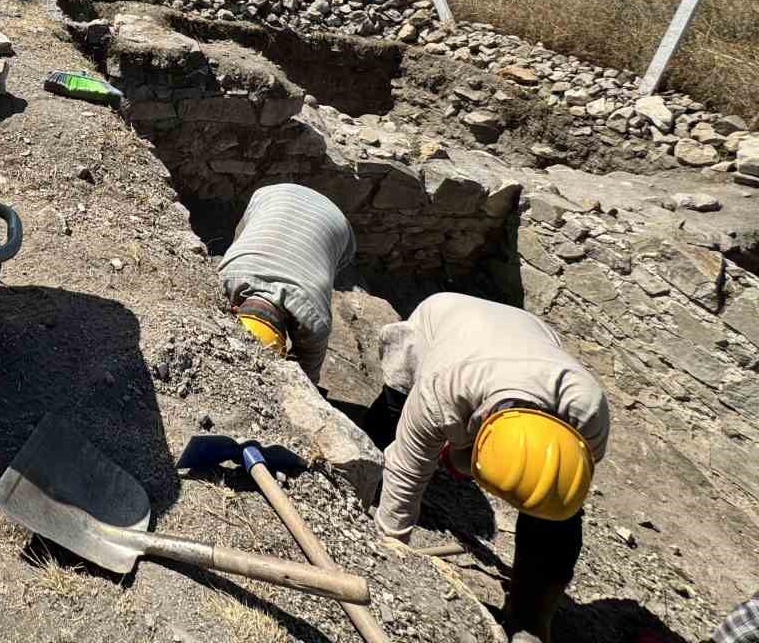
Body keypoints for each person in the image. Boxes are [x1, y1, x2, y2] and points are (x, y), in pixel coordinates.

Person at [362, 292, 610, 643]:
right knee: (394, 411)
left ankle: (530, 616)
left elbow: (563, 495)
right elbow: (407, 468)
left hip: (530, 332)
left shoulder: (589, 411)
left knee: (554, 514)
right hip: (443, 315)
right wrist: (392, 552)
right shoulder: (440, 390)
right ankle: (361, 469)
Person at [218, 183, 355, 384]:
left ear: (234, 308)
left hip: (337, 226)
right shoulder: (227, 275)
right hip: (271, 196)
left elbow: (307, 380)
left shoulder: (316, 320)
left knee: (326, 264)